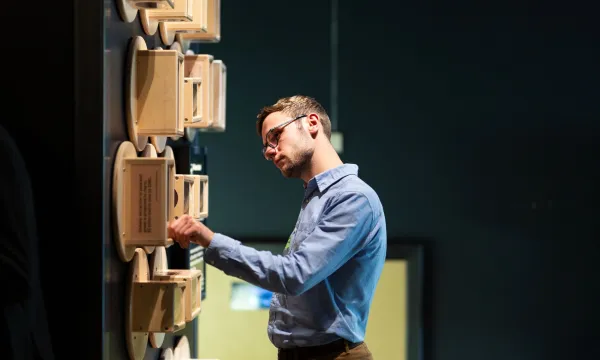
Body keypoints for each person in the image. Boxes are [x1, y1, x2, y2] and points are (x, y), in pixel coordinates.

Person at [168, 95, 387, 360]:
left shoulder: (352, 198)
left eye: (276, 135)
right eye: (266, 146)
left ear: (312, 123)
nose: (270, 151)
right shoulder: (317, 197)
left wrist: (210, 240)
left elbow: (294, 276)